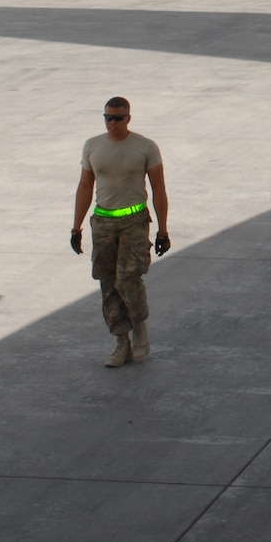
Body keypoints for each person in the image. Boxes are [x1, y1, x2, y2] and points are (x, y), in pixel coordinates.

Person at [70, 96, 170, 368]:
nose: (112, 123)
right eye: (108, 118)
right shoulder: (92, 146)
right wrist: (76, 226)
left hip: (134, 220)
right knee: (108, 283)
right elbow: (84, 187)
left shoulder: (145, 147)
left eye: (118, 118)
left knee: (128, 277)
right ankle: (121, 342)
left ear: (128, 118)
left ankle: (139, 326)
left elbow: (159, 188)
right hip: (102, 222)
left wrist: (162, 230)